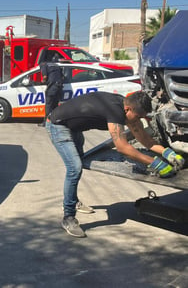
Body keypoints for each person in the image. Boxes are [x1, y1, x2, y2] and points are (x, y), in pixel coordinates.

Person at [46, 91, 185, 238]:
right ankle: (68, 217)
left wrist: (167, 153)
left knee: (77, 164)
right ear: (127, 110)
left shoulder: (127, 107)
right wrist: (155, 163)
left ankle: (71, 200)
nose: (139, 120)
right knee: (75, 168)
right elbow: (122, 147)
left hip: (74, 128)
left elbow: (145, 139)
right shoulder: (115, 111)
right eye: (138, 117)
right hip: (58, 126)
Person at [38, 54, 64, 127]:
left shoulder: (43, 65)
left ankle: (46, 123)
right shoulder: (56, 65)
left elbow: (45, 77)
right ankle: (55, 121)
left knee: (48, 105)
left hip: (52, 87)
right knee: (55, 105)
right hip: (59, 87)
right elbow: (62, 76)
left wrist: (42, 82)